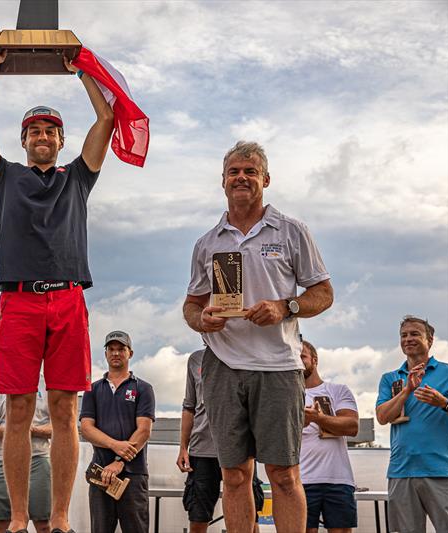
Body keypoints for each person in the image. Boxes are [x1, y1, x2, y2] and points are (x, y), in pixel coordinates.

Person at [0, 33, 114, 533]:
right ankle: (22, 517)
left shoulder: (78, 177)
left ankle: (63, 517)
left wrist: (82, 69)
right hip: (19, 302)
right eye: (35, 131)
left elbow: (106, 120)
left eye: (51, 130)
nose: (43, 137)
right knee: (20, 410)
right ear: (24, 140)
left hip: (69, 299)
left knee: (67, 409)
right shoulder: (3, 176)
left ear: (60, 140)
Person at [183, 141, 334, 531]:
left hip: (279, 367)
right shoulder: (208, 242)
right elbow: (190, 305)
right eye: (234, 171)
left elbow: (323, 294)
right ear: (223, 181)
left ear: (266, 179)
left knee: (284, 475)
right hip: (223, 366)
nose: (242, 178)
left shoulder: (291, 231)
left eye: (250, 171)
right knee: (234, 476)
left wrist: (286, 307)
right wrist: (202, 319)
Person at [375, 316, 448, 532]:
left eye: (414, 334)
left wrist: (444, 403)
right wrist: (407, 390)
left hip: (442, 471)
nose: (408, 339)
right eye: (403, 335)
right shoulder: (390, 379)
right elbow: (382, 417)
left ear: (430, 339)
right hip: (401, 471)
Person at [176, 348, 264, 532]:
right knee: (198, 515)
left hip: (240, 448)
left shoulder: (245, 353)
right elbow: (189, 406)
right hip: (203, 450)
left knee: (251, 515)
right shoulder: (195, 359)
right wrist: (183, 447)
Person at [80, 331, 155, 533]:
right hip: (100, 475)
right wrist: (115, 445)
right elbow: (86, 428)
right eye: (111, 349)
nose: (116, 353)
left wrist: (119, 462)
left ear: (130, 353)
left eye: (121, 349)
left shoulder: (143, 388)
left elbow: (144, 430)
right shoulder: (92, 389)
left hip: (133, 474)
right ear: (105, 354)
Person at [299, 340, 359, 533]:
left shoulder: (338, 390)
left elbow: (351, 426)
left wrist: (318, 418)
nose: (297, 362)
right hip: (300, 481)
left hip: (339, 479)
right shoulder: (285, 396)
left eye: (302, 357)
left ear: (314, 360)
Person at [0, 381, 52, 533]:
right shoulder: (1, 383)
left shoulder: (49, 384)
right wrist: (12, 431)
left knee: (43, 524)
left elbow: (61, 425)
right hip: (3, 460)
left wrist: (32, 430)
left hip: (39, 458)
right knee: (0, 525)